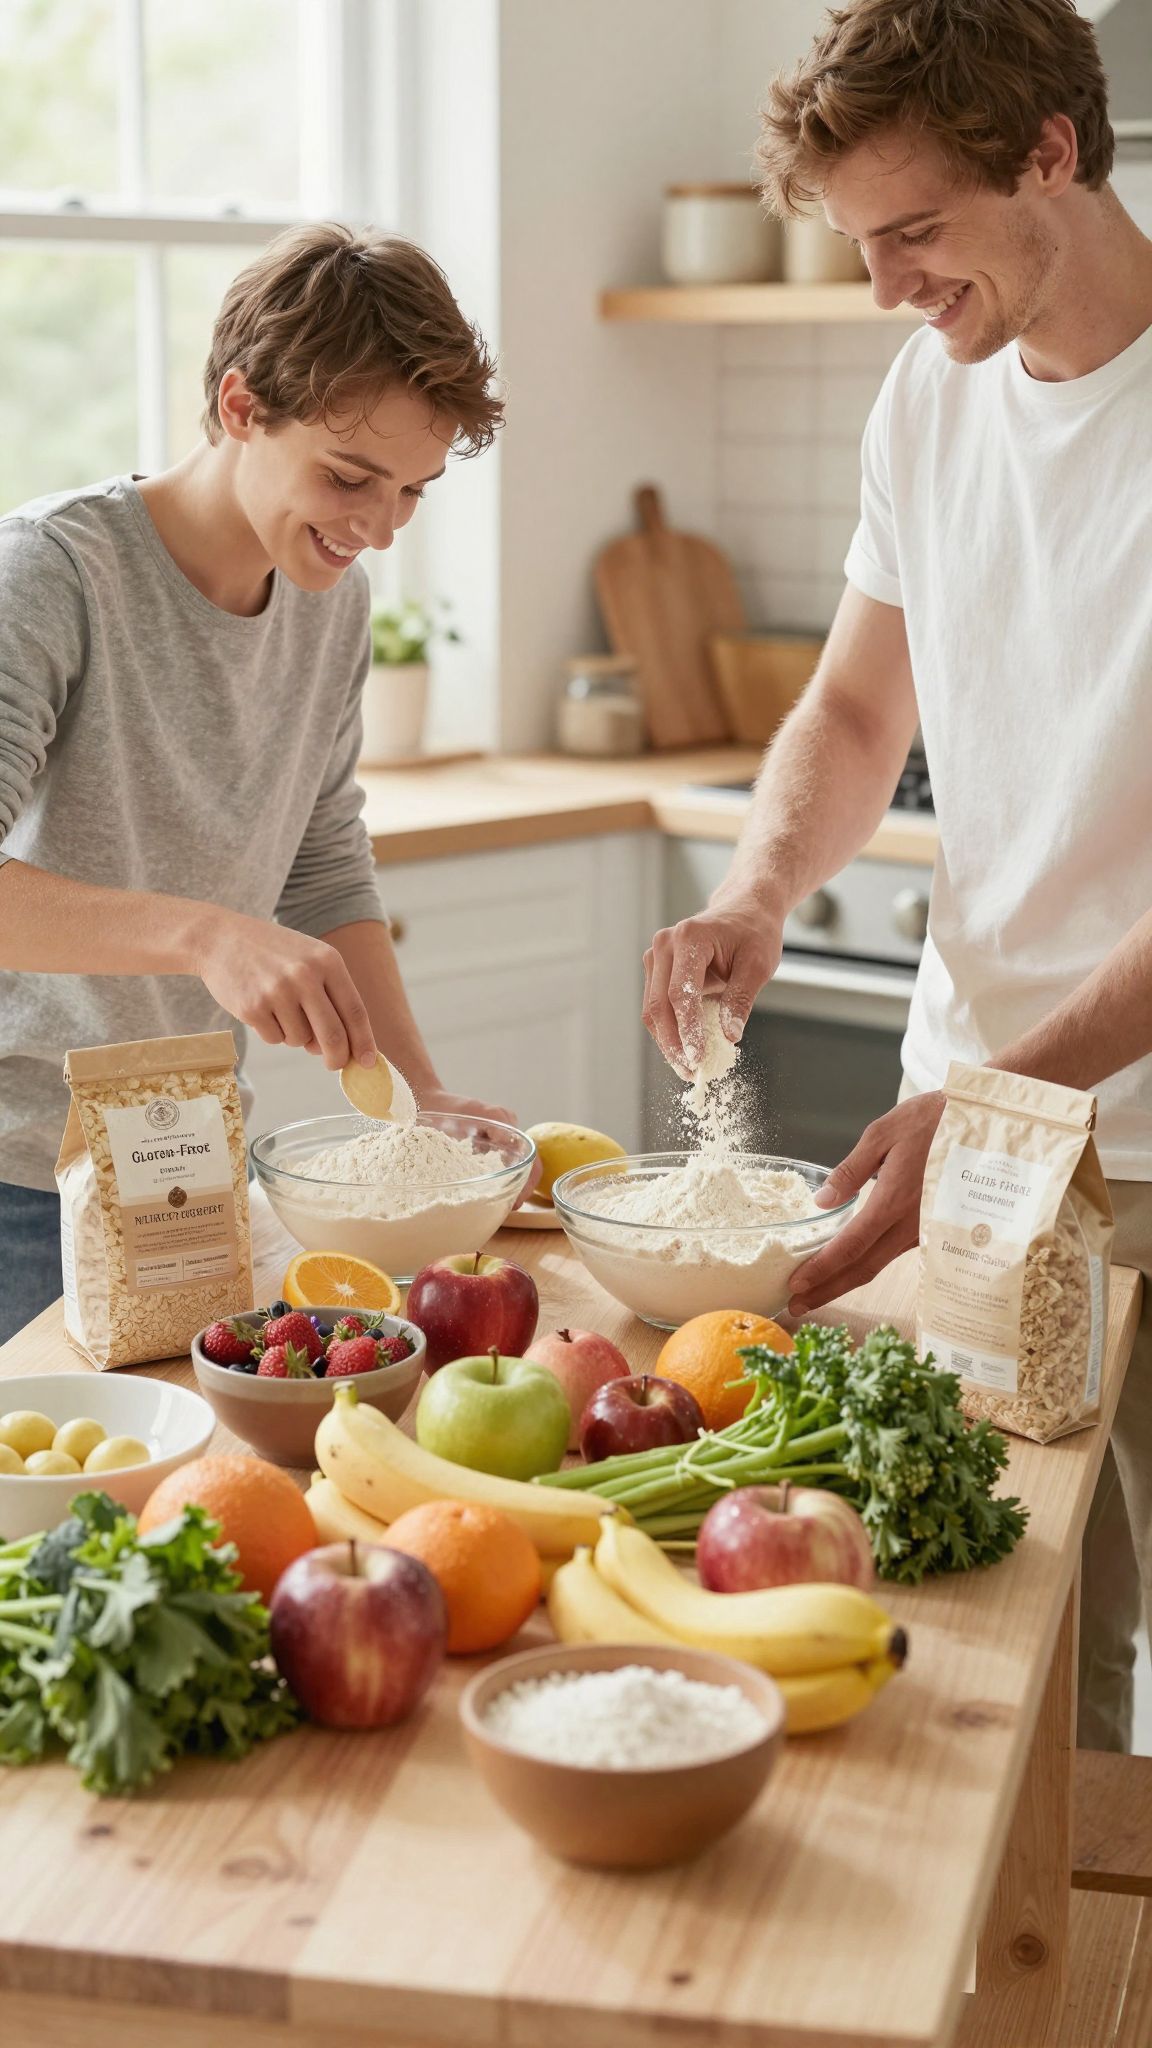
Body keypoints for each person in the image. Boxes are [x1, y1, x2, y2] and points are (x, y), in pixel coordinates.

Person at [642, 0, 1152, 1752]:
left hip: (1114, 1130)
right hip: (991, 1148)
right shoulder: (928, 401)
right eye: (858, 246)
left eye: (912, 233)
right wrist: (755, 892)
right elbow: (857, 707)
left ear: (1051, 153)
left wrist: (1000, 1092)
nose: (883, 290)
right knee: (1014, 1663)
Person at [0, 223, 520, 1344]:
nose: (378, 527)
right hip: (14, 1174)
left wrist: (418, 1095)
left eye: (412, 491)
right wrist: (208, 937)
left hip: (183, 1163)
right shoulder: (51, 579)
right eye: (349, 476)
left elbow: (324, 859)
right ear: (242, 406)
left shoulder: (328, 598)